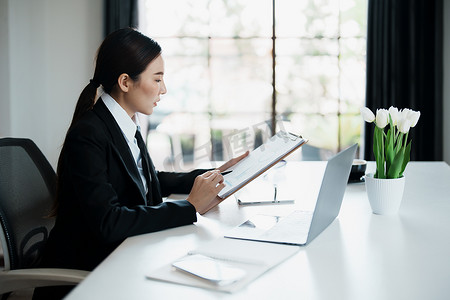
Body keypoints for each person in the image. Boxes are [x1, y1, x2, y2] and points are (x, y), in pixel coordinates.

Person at [33, 28, 247, 299]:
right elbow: (109, 222)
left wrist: (215, 174)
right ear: (125, 82)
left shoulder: (124, 122)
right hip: (92, 273)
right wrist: (190, 207)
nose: (164, 89)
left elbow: (148, 180)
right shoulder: (88, 134)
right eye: (157, 79)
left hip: (123, 255)